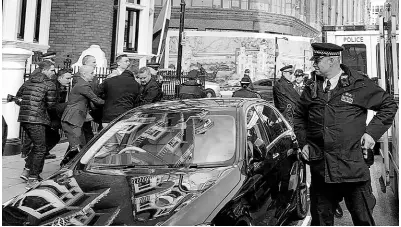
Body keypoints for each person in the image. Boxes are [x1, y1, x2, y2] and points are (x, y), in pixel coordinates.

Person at [293, 43, 398, 226]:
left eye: (317, 60)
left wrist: (371, 134)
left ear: (332, 60)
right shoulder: (312, 87)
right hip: (321, 168)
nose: (314, 65)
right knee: (321, 221)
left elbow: (388, 105)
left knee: (363, 219)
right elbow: (299, 116)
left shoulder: (358, 84)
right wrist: (304, 143)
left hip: (352, 168)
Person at [15, 61, 57, 188]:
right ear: (44, 70)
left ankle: (27, 170)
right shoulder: (49, 84)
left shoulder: (28, 82)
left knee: (37, 146)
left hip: (24, 119)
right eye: (52, 70)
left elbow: (18, 98)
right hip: (38, 119)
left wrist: (28, 107)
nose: (53, 72)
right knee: (41, 148)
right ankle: (33, 178)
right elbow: (51, 106)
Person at [61, 65, 104, 167]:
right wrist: (111, 103)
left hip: (72, 118)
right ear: (84, 74)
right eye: (92, 73)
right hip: (73, 119)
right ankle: (68, 166)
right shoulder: (83, 86)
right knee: (77, 146)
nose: (94, 75)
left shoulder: (81, 84)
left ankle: (67, 165)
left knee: (76, 145)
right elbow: (96, 100)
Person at [98, 54, 141, 128]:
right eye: (126, 61)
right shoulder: (112, 76)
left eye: (128, 61)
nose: (128, 63)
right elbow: (102, 92)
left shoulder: (132, 78)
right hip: (112, 111)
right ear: (118, 63)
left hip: (121, 113)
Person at [71, 55, 99, 144]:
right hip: (82, 108)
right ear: (86, 63)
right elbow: (84, 94)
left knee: (86, 133)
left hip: (90, 106)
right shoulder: (78, 77)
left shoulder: (93, 76)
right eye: (93, 62)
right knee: (83, 134)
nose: (95, 64)